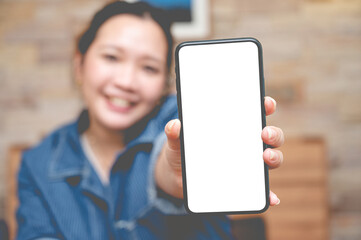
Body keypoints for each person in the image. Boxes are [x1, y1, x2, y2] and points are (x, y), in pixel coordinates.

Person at [16, 1, 284, 239]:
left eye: (149, 68)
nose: (126, 82)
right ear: (79, 65)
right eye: (111, 57)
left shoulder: (185, 121)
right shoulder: (38, 164)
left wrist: (177, 176)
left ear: (165, 86)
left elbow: (167, 164)